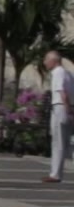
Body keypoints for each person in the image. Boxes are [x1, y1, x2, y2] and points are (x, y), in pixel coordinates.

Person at [46, 50, 72, 184]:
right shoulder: (67, 73)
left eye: (46, 60)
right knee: (63, 142)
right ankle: (56, 173)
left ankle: (55, 174)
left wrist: (69, 110)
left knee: (58, 142)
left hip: (60, 107)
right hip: (63, 107)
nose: (44, 62)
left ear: (53, 61)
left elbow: (63, 92)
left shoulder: (58, 73)